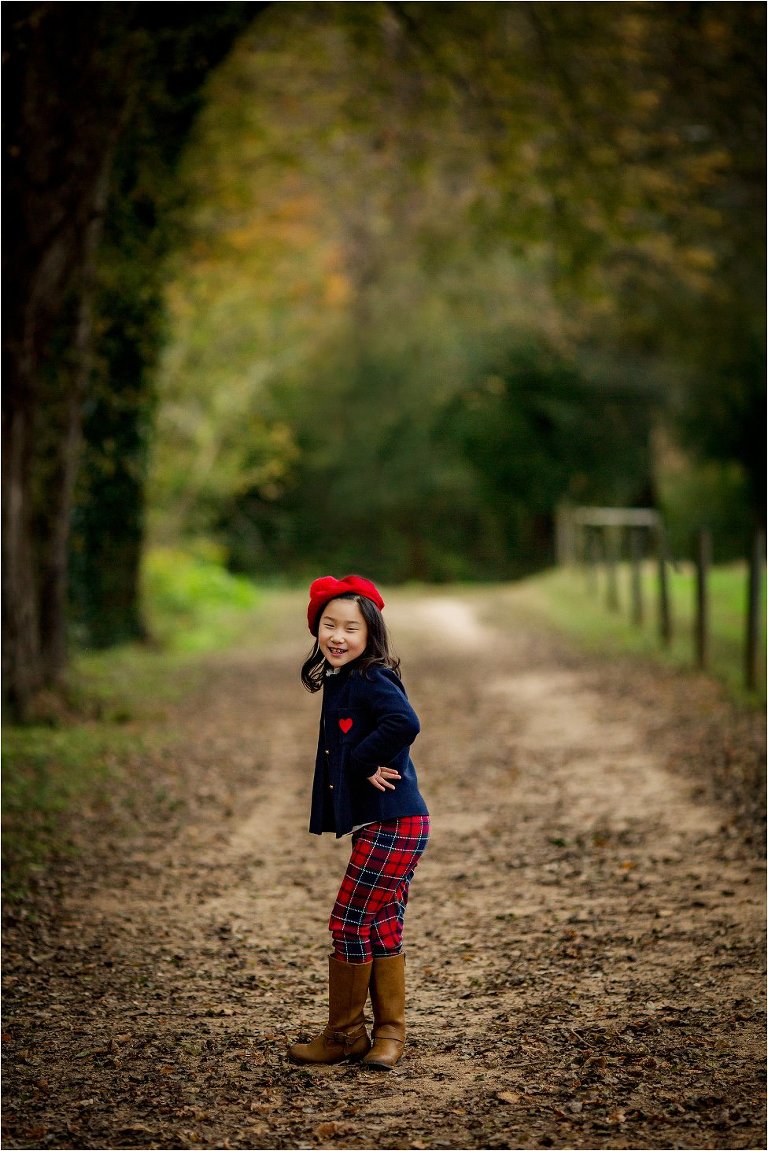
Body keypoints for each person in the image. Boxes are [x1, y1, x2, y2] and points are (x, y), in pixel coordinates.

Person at [288, 574, 430, 1071]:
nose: (338, 636)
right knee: (382, 923)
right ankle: (388, 1036)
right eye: (329, 625)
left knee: (347, 921)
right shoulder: (343, 679)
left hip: (395, 821)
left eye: (351, 627)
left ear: (370, 634)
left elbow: (405, 722)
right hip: (390, 824)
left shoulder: (370, 677)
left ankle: (346, 1035)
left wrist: (364, 760)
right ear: (316, 629)